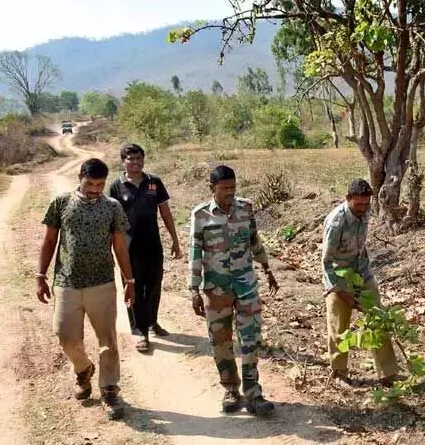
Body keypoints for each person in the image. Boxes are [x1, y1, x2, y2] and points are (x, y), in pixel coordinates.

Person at [36, 158, 135, 420]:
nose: (95, 189)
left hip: (101, 284)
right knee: (64, 336)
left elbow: (120, 246)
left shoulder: (112, 207)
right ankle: (83, 369)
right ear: (80, 177)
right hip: (66, 283)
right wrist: (40, 275)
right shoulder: (61, 203)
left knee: (108, 341)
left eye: (100, 184)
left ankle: (110, 390)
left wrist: (129, 281)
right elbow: (49, 240)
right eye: (90, 183)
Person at [188, 165, 279, 417]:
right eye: (224, 188)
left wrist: (267, 267)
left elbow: (254, 239)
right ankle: (230, 389)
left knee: (251, 338)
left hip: (246, 284)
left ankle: (253, 392)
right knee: (221, 341)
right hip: (216, 290)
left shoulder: (246, 208)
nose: (230, 192)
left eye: (233, 187)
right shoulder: (201, 215)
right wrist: (193, 289)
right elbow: (195, 252)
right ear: (212, 189)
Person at [321, 179, 399, 385]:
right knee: (339, 326)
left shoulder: (365, 213)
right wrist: (340, 290)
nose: (363, 209)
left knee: (378, 319)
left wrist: (364, 277)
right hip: (338, 277)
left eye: (367, 204)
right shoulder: (336, 223)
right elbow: (326, 262)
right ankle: (339, 373)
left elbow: (361, 248)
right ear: (348, 199)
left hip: (362, 273)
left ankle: (388, 373)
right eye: (359, 204)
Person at [109, 143, 182, 352]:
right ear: (123, 161)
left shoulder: (154, 182)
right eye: (130, 159)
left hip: (153, 244)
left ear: (144, 159)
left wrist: (175, 240)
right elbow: (111, 220)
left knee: (154, 285)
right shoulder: (116, 186)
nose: (135, 162)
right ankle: (139, 331)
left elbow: (165, 212)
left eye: (139, 158)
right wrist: (109, 248)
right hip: (128, 247)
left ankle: (152, 321)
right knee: (133, 286)